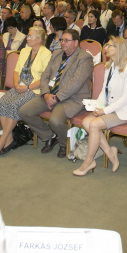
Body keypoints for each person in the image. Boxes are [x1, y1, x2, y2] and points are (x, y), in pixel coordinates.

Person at [19, 29, 94, 159]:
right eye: (62, 40)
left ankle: (64, 144)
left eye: (66, 40)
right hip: (50, 95)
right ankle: (50, 136)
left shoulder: (84, 58)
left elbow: (76, 83)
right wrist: (46, 94)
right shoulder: (57, 53)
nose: (63, 43)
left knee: (55, 120)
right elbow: (45, 76)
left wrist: (57, 97)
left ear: (76, 42)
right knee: (24, 111)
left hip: (72, 98)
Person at [73, 37, 127, 176]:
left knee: (94, 125)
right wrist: (97, 105)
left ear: (119, 49)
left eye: (109, 46)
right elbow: (104, 90)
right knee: (86, 122)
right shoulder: (109, 66)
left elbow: (126, 98)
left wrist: (104, 110)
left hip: (124, 111)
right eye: (106, 45)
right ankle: (110, 152)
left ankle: (89, 161)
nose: (106, 48)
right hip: (109, 107)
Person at [0, 27, 53, 157]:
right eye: (27, 36)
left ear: (39, 40)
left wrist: (27, 87)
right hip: (20, 86)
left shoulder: (46, 54)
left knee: (14, 105)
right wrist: (16, 84)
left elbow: (44, 79)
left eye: (30, 37)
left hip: (34, 89)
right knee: (3, 102)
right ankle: (9, 139)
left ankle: (3, 140)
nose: (27, 38)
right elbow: (16, 71)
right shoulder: (24, 50)